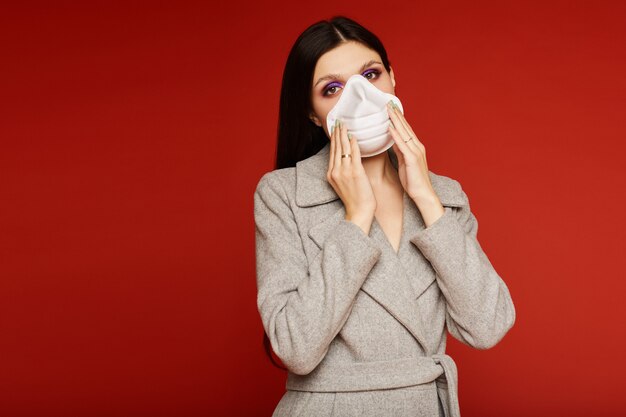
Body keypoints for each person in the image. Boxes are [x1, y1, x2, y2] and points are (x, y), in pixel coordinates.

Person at [253, 15, 516, 417]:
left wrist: (427, 198)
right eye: (333, 88)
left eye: (371, 74)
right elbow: (295, 348)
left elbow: (488, 326)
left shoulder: (444, 197)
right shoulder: (282, 194)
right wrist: (356, 217)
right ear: (311, 112)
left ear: (393, 79)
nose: (360, 97)